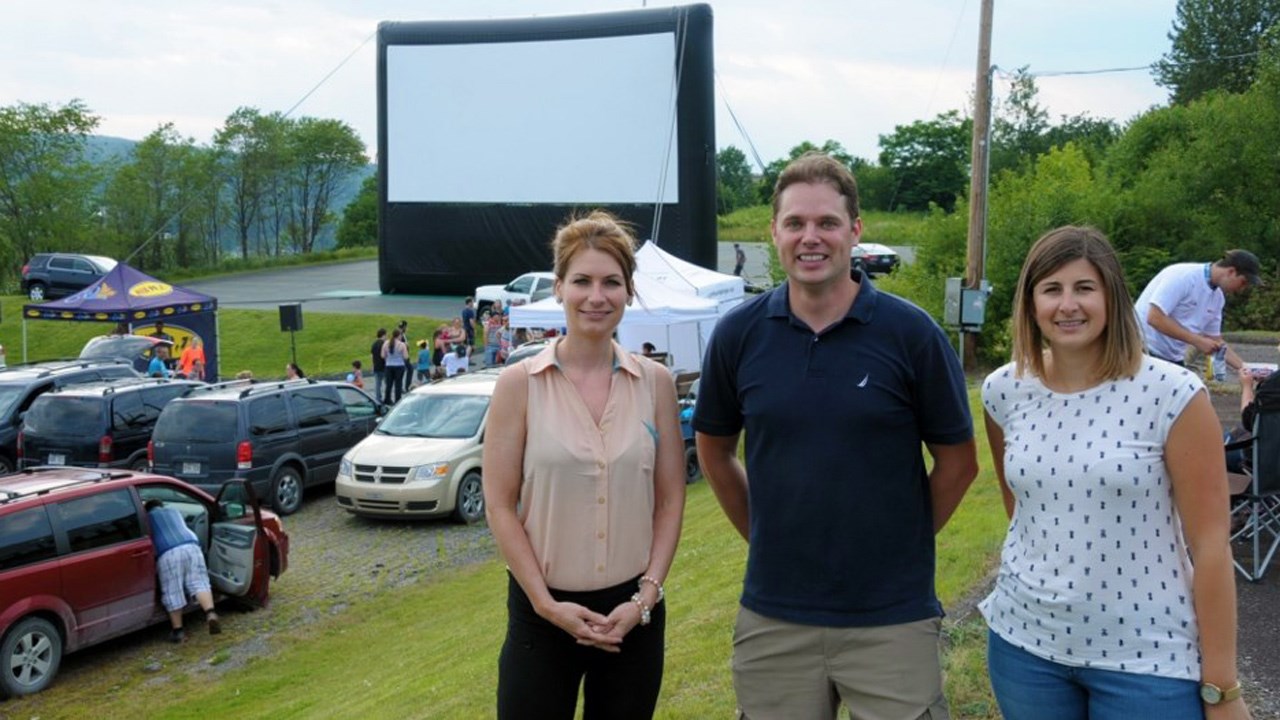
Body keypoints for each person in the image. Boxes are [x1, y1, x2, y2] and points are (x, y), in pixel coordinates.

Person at [693, 152, 977, 719]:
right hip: (775, 617)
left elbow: (959, 464)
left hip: (891, 617)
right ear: (773, 231)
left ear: (855, 230)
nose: (811, 237)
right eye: (795, 223)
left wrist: (903, 541)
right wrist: (766, 535)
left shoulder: (911, 334)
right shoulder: (738, 336)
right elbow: (715, 453)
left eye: (827, 222)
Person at [981, 226, 1249, 719]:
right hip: (1024, 647)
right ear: (1030, 302)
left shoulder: (1173, 394)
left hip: (1146, 659)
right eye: (1051, 289)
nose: (1068, 305)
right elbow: (1020, 508)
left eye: (1085, 288)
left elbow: (1211, 545)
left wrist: (1222, 687)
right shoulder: (1004, 390)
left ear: (1111, 296)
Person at [482, 210, 685, 720]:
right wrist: (547, 606)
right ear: (559, 288)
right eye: (583, 281)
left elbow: (670, 499)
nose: (597, 296)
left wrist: (644, 599)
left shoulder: (656, 382)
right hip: (542, 612)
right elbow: (500, 505)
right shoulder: (520, 384)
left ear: (629, 291)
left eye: (611, 282)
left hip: (631, 616)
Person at [1133, 249, 1263, 373]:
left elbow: (1216, 341)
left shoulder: (1217, 298)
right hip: (1140, 350)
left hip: (1172, 358)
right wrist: (1196, 340)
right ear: (1231, 272)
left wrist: (1245, 369)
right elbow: (1155, 318)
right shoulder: (1183, 276)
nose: (1242, 289)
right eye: (1243, 283)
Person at [144, 499, 221, 643]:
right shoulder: (174, 511)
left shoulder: (147, 518)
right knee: (199, 582)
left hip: (168, 551)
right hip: (192, 545)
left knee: (172, 591)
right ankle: (210, 613)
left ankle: (178, 631)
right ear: (161, 505)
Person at [382, 328, 409, 405]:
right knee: (398, 384)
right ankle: (397, 400)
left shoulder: (386, 343)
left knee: (389, 384)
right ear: (399, 335)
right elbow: (406, 357)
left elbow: (383, 355)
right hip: (399, 366)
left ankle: (387, 399)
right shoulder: (402, 344)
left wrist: (389, 358)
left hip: (389, 366)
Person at [370, 328, 387, 403]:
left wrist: (373, 365)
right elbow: (385, 355)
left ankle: (378, 399)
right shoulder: (384, 343)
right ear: (383, 335)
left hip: (376, 366)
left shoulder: (374, 344)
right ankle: (387, 397)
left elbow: (372, 355)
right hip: (383, 366)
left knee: (377, 384)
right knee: (387, 383)